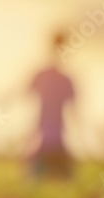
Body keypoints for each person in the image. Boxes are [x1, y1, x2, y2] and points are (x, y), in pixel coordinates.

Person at [29, 32, 76, 179]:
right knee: (59, 181)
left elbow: (76, 114)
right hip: (48, 140)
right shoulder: (59, 79)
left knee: (40, 181)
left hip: (52, 140)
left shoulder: (61, 79)